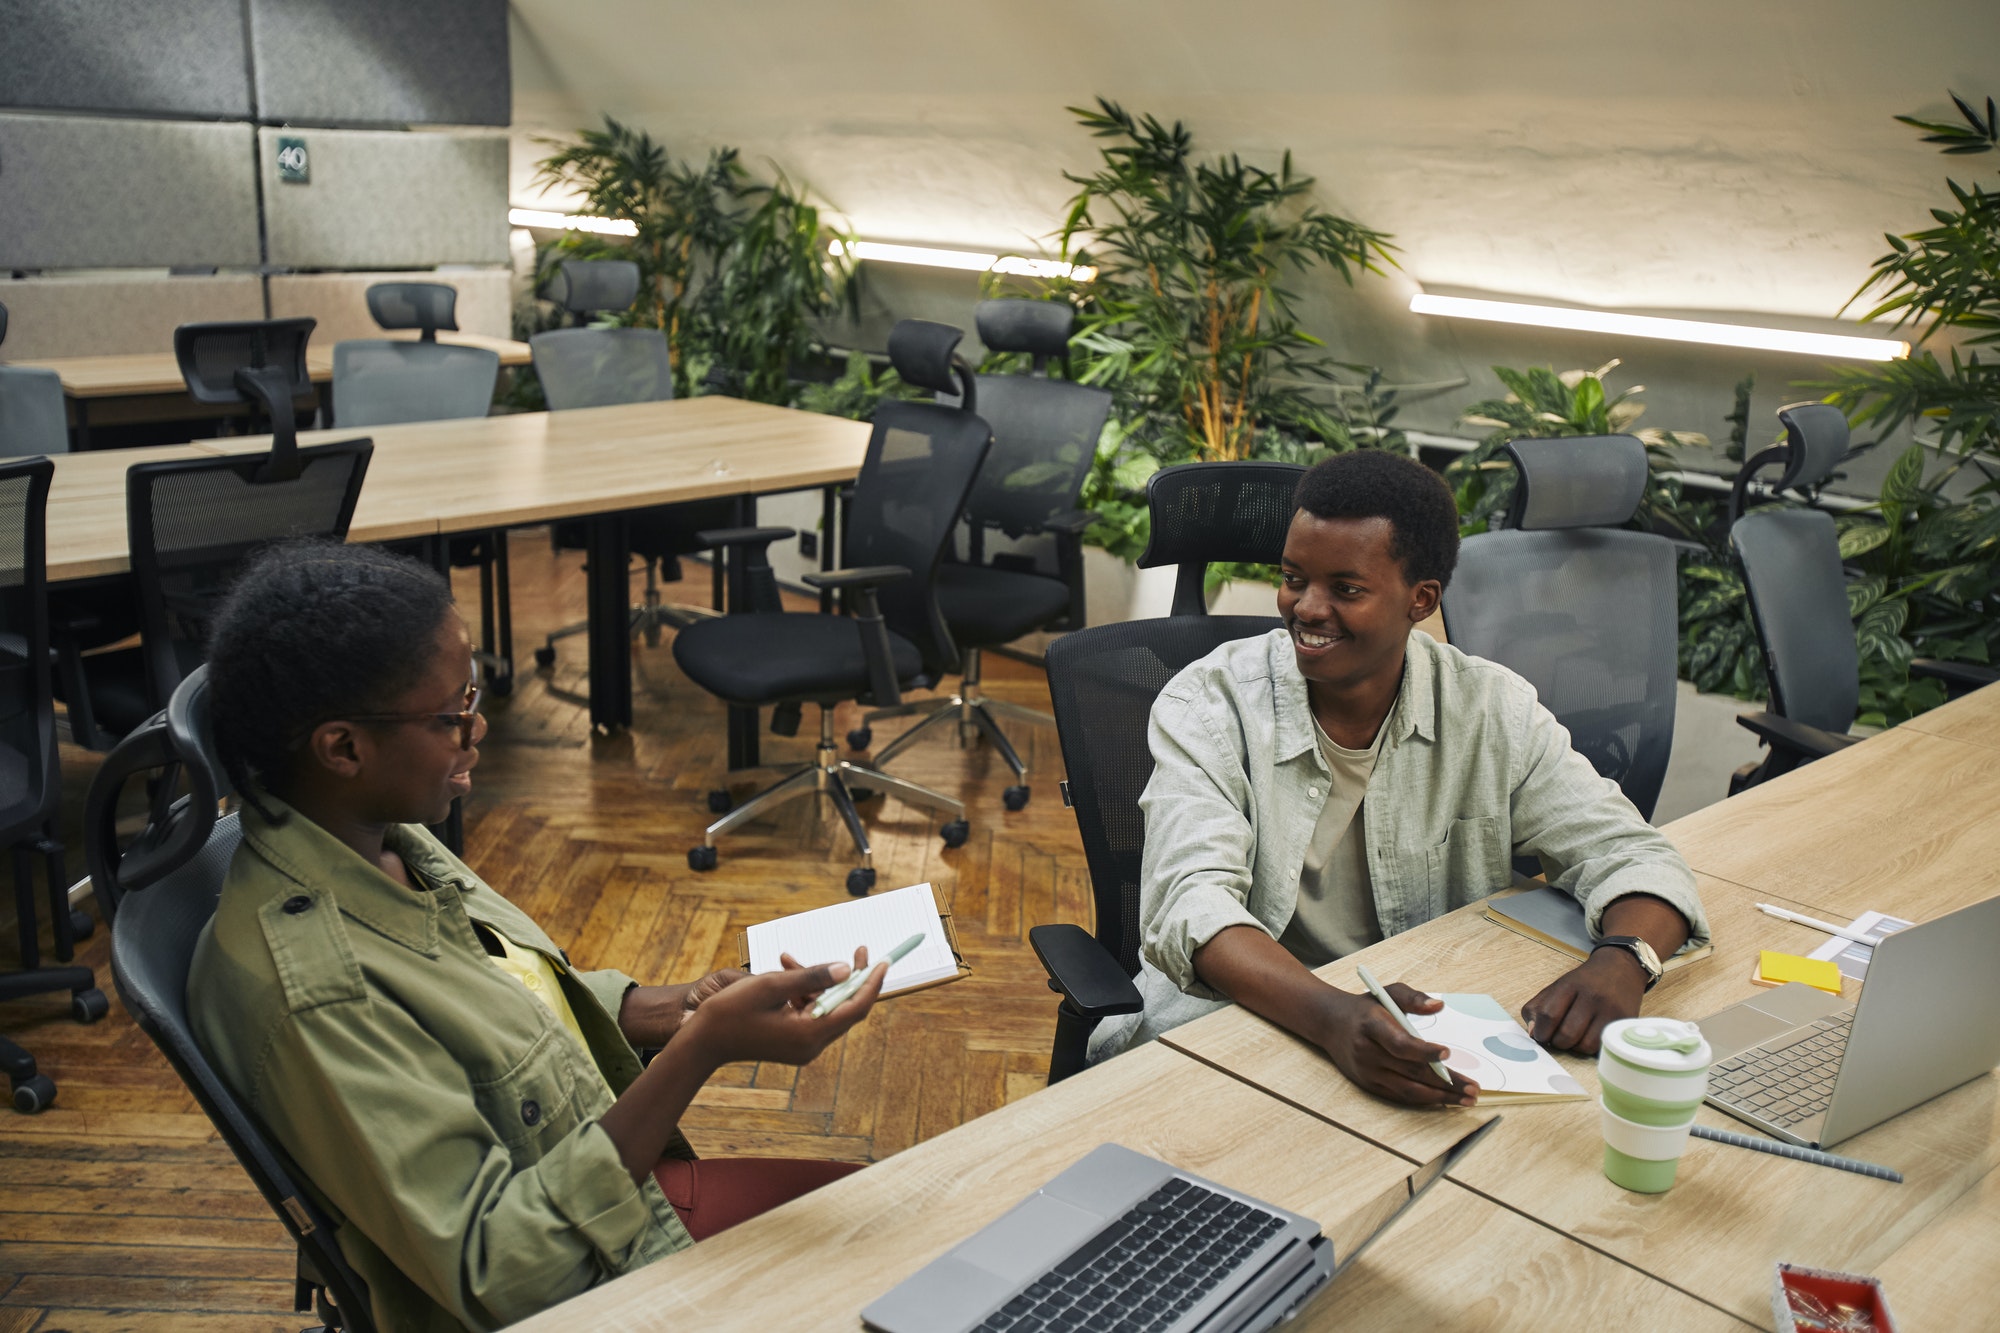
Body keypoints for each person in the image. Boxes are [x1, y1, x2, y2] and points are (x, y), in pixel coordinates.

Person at [187, 541, 888, 1333]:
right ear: (343, 747)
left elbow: (496, 996)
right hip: (574, 1285)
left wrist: (663, 1008)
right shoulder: (320, 990)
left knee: (895, 1214)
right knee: (900, 1243)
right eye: (451, 714)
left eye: (473, 693)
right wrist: (703, 1050)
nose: (476, 726)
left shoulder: (380, 842)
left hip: (604, 1193)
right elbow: (502, 1272)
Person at [1089, 450, 1709, 1106]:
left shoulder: (1488, 707)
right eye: (1293, 577)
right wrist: (1333, 1017)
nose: (1306, 607)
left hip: (1410, 1029)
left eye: (1345, 588)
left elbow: (1633, 853)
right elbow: (1191, 904)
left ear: (1422, 599)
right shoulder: (1211, 703)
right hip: (1241, 1025)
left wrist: (1624, 960)